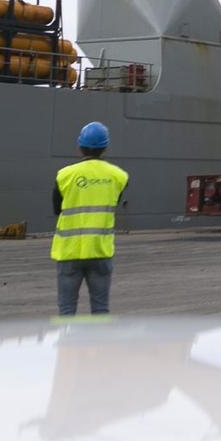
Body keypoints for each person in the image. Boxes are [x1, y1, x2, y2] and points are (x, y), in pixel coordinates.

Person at [52, 121, 127, 316]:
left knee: (67, 309)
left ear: (79, 146)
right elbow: (114, 202)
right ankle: (100, 346)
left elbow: (56, 209)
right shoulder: (118, 176)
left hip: (69, 252)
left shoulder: (64, 175)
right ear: (106, 147)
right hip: (100, 251)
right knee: (101, 309)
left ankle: (67, 345)